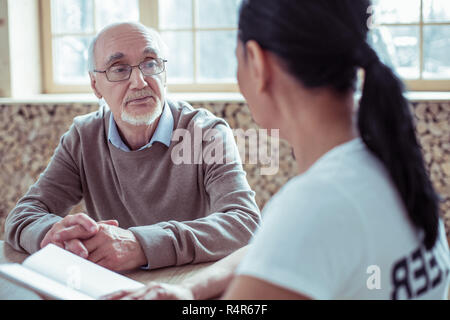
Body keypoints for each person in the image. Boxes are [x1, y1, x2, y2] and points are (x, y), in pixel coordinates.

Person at [107, 0, 450, 299]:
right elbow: (276, 248)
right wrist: (191, 291)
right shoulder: (389, 166)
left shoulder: (316, 204)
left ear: (257, 63)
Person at [4, 22, 261, 272]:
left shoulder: (205, 132)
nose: (139, 81)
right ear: (95, 85)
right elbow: (24, 216)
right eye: (119, 69)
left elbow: (244, 222)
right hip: (113, 284)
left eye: (150, 64)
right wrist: (54, 234)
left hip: (188, 283)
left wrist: (140, 245)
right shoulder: (83, 137)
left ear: (164, 73)